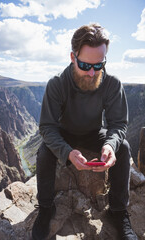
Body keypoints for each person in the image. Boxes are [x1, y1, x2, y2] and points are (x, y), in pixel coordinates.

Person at [32, 23, 138, 240]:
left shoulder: (111, 83)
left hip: (93, 132)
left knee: (124, 148)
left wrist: (109, 145)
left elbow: (118, 124)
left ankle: (118, 211)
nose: (92, 73)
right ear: (73, 57)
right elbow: (47, 127)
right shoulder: (57, 84)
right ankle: (45, 209)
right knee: (44, 152)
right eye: (85, 65)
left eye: (99, 65)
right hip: (64, 133)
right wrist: (66, 152)